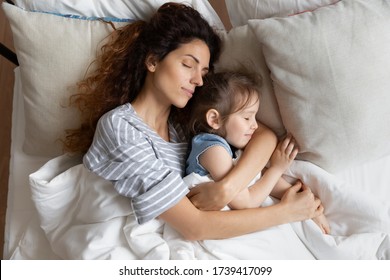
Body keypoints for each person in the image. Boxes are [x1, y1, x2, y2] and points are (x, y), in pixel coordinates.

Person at [63, 2, 323, 241]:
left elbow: (263, 136)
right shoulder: (120, 127)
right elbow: (194, 227)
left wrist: (226, 188)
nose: (198, 80)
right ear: (153, 60)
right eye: (188, 65)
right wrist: (288, 212)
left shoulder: (183, 124)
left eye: (204, 72)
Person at [184, 71, 330, 234]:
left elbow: (259, 178)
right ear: (214, 119)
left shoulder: (231, 147)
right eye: (247, 118)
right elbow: (246, 202)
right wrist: (277, 169)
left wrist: (309, 205)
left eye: (255, 117)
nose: (255, 125)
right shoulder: (213, 151)